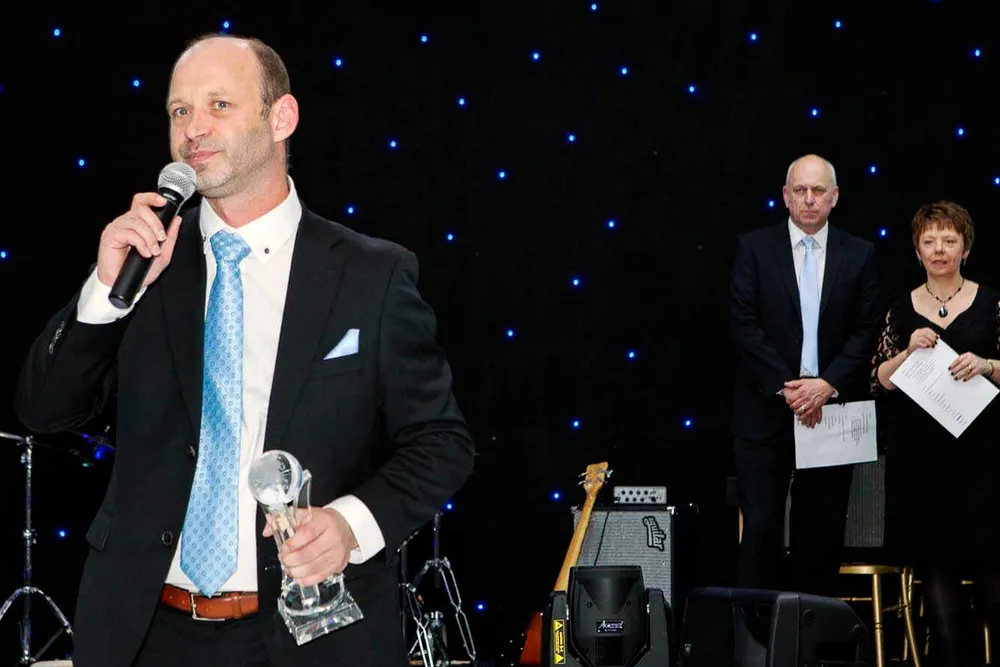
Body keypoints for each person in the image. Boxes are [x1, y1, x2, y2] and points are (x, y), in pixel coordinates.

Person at [14, 33, 475, 667]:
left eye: (219, 105)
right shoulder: (144, 265)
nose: (193, 129)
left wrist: (350, 526)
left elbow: (441, 442)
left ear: (281, 118)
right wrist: (104, 292)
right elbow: (44, 412)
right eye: (180, 110)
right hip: (143, 632)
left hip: (311, 633)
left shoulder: (370, 275)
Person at [729, 154, 881, 596]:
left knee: (821, 533)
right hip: (766, 412)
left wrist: (826, 384)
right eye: (800, 190)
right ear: (785, 196)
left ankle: (813, 631)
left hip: (832, 410)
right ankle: (755, 633)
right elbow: (743, 324)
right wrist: (790, 389)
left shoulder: (860, 253)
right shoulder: (753, 248)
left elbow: (867, 328)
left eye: (818, 191)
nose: (809, 199)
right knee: (760, 528)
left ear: (835, 197)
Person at [871, 201, 1000, 667]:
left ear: (966, 248)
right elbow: (878, 380)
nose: (939, 249)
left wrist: (987, 365)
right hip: (921, 463)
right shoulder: (901, 307)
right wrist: (907, 353)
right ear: (917, 250)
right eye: (929, 241)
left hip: (983, 459)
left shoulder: (992, 302)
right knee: (936, 570)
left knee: (993, 572)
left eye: (949, 240)